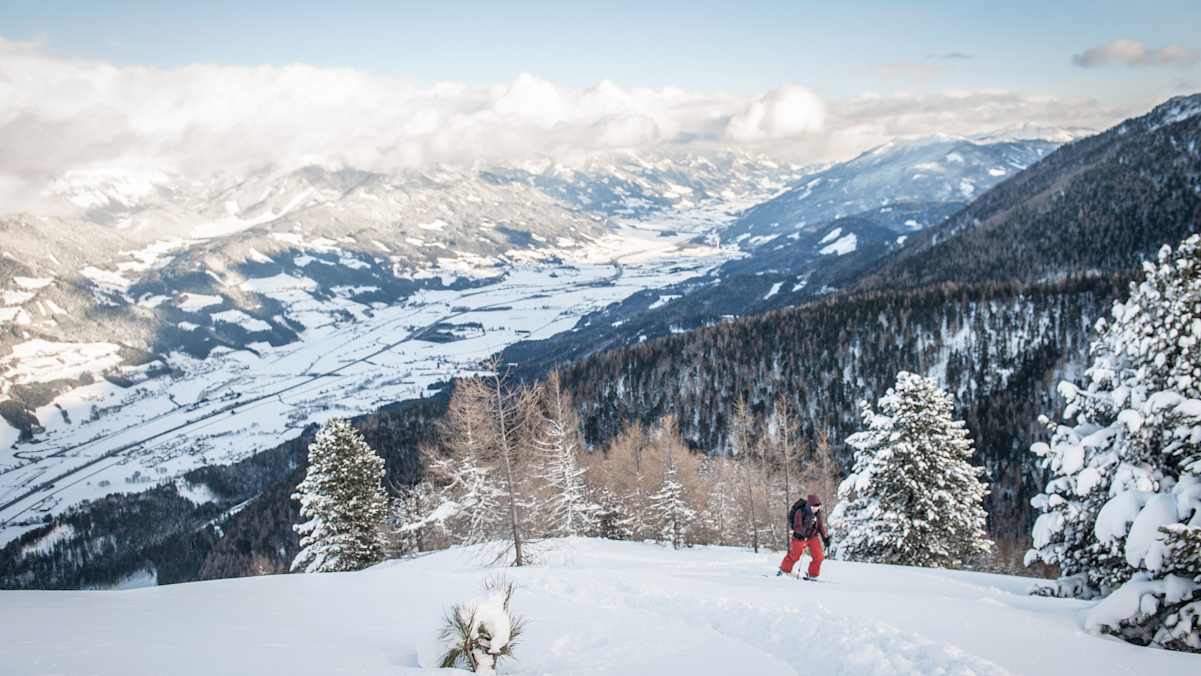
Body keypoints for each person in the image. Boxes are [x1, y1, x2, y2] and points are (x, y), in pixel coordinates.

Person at [777, 493, 830, 580]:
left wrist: (825, 538)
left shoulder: (817, 514)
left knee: (819, 556)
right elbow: (797, 526)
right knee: (795, 555)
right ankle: (784, 570)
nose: (816, 509)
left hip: (812, 537)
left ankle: (813, 574)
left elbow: (821, 526)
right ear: (809, 506)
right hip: (799, 537)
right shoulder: (800, 512)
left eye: (818, 507)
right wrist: (805, 530)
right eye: (814, 507)